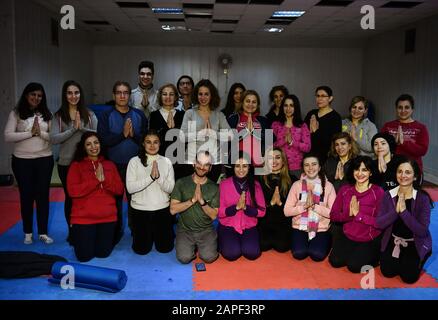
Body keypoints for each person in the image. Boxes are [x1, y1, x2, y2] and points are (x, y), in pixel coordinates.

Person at [97, 81, 148, 244]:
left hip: (135, 165)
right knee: (114, 201)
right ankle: (116, 230)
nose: (122, 95)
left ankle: (136, 230)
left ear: (129, 95)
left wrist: (132, 135)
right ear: (114, 95)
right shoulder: (106, 115)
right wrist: (123, 135)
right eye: (119, 92)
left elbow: (147, 142)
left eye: (125, 92)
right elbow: (103, 141)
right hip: (113, 166)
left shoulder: (139, 115)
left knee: (136, 200)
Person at [4, 82, 54, 245]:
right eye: (33, 94)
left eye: (39, 95)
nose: (36, 98)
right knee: (26, 197)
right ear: (26, 95)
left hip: (44, 160)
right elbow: (8, 136)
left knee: (43, 198)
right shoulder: (16, 113)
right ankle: (27, 232)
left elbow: (53, 137)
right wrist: (29, 133)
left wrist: (41, 133)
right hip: (22, 161)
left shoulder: (47, 114)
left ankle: (43, 232)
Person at [50, 80, 98, 244]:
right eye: (69, 93)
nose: (73, 96)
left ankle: (88, 229)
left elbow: (96, 135)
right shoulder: (58, 116)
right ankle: (72, 231)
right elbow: (54, 139)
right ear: (65, 95)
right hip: (66, 164)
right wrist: (73, 129)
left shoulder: (89, 114)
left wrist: (81, 128)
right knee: (71, 198)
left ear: (80, 94)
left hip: (86, 163)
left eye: (76, 92)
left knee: (89, 196)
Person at [67, 132, 124, 262]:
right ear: (83, 147)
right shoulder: (76, 166)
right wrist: (95, 181)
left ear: (100, 145)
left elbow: (119, 190)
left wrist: (105, 181)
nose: (93, 146)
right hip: (83, 220)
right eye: (89, 144)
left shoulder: (110, 165)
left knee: (103, 254)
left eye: (96, 142)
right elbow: (73, 191)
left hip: (107, 219)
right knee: (84, 257)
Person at [376, 157, 433, 284]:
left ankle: (425, 253)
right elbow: (379, 223)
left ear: (415, 177)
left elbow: (422, 231)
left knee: (409, 278)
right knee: (387, 272)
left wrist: (404, 213)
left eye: (408, 172)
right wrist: (395, 212)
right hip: (394, 239)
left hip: (414, 241)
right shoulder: (388, 195)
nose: (403, 175)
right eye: (399, 171)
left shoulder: (422, 199)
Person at [328, 156, 385, 273]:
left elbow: (381, 222)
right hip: (348, 235)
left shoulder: (378, 192)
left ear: (370, 173)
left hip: (368, 238)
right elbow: (333, 215)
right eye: (357, 169)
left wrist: (359, 215)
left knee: (354, 267)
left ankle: (376, 257)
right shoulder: (345, 190)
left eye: (364, 170)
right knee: (335, 261)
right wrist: (349, 215)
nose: (360, 173)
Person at [126, 130, 175, 255]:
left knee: (165, 249)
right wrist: (151, 178)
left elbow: (170, 189)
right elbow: (130, 188)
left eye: (155, 142)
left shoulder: (167, 162)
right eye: (148, 142)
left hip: (162, 210)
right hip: (140, 211)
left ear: (160, 144)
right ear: (143, 144)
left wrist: (158, 178)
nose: (152, 146)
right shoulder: (134, 161)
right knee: (141, 250)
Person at [170, 150, 220, 264]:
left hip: (206, 230)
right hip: (185, 230)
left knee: (209, 258)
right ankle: (191, 247)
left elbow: (213, 216)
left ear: (210, 167)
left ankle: (204, 246)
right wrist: (192, 200)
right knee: (184, 258)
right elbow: (173, 210)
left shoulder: (214, 188)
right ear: (193, 163)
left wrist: (202, 202)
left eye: (206, 164)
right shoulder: (181, 183)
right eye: (199, 163)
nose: (202, 167)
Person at [284, 153, 336, 261]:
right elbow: (286, 211)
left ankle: (324, 241)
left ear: (319, 167)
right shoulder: (297, 185)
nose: (310, 168)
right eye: (306, 165)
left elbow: (333, 213)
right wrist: (303, 207)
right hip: (300, 227)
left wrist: (315, 207)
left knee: (316, 255)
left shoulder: (328, 186)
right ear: (303, 168)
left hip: (320, 228)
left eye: (314, 164)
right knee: (299, 254)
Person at [180, 79, 231, 183]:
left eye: (206, 94)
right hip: (192, 161)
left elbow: (230, 135)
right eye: (200, 94)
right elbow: (182, 136)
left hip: (214, 162)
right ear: (196, 95)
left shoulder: (218, 115)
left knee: (209, 195)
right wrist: (200, 134)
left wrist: (213, 133)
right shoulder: (189, 113)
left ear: (211, 96)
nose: (203, 97)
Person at [218, 153, 266, 261]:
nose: (241, 169)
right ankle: (222, 241)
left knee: (252, 253)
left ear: (249, 167)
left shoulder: (256, 185)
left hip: (248, 226)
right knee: (232, 255)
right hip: (228, 226)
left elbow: (262, 211)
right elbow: (219, 211)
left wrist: (246, 208)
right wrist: (235, 208)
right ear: (233, 167)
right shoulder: (224, 184)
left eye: (244, 166)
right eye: (237, 166)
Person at [258, 148, 297, 253]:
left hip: (283, 222)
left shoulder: (293, 180)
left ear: (283, 160)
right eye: (270, 158)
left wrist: (280, 203)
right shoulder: (259, 179)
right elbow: (256, 204)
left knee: (282, 247)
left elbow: (295, 206)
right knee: (263, 246)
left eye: (278, 158)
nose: (274, 161)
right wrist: (270, 203)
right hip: (265, 221)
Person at [381, 94, 429, 173]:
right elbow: (380, 147)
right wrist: (393, 143)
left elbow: (422, 150)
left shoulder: (421, 128)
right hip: (391, 169)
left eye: (407, 107)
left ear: (412, 109)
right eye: (400, 107)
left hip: (412, 171)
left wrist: (404, 143)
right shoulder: (388, 126)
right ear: (396, 109)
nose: (403, 111)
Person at [227, 90, 270, 168]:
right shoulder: (233, 119)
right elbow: (227, 138)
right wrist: (244, 132)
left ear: (258, 105)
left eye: (254, 102)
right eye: (247, 101)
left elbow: (271, 138)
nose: (250, 104)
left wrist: (254, 132)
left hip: (258, 165)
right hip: (238, 165)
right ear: (242, 103)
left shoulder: (263, 120)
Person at [272, 94, 311, 177]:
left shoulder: (302, 125)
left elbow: (307, 147)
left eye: (291, 105)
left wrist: (292, 142)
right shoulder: (275, 125)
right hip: (279, 168)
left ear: (296, 107)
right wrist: (283, 141)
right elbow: (270, 147)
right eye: (285, 105)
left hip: (297, 169)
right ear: (282, 107)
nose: (288, 109)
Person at [304, 86, 342, 165]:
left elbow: (332, 142)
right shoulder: (311, 114)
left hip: (325, 159)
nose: (319, 99)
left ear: (330, 98)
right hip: (309, 157)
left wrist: (315, 131)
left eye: (323, 96)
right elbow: (303, 136)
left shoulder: (335, 117)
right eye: (317, 96)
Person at [149, 83, 185, 157]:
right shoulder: (154, 115)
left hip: (179, 160)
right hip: (160, 157)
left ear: (175, 97)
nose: (168, 97)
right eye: (164, 94)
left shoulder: (183, 115)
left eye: (171, 94)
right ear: (160, 97)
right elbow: (152, 139)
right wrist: (166, 128)